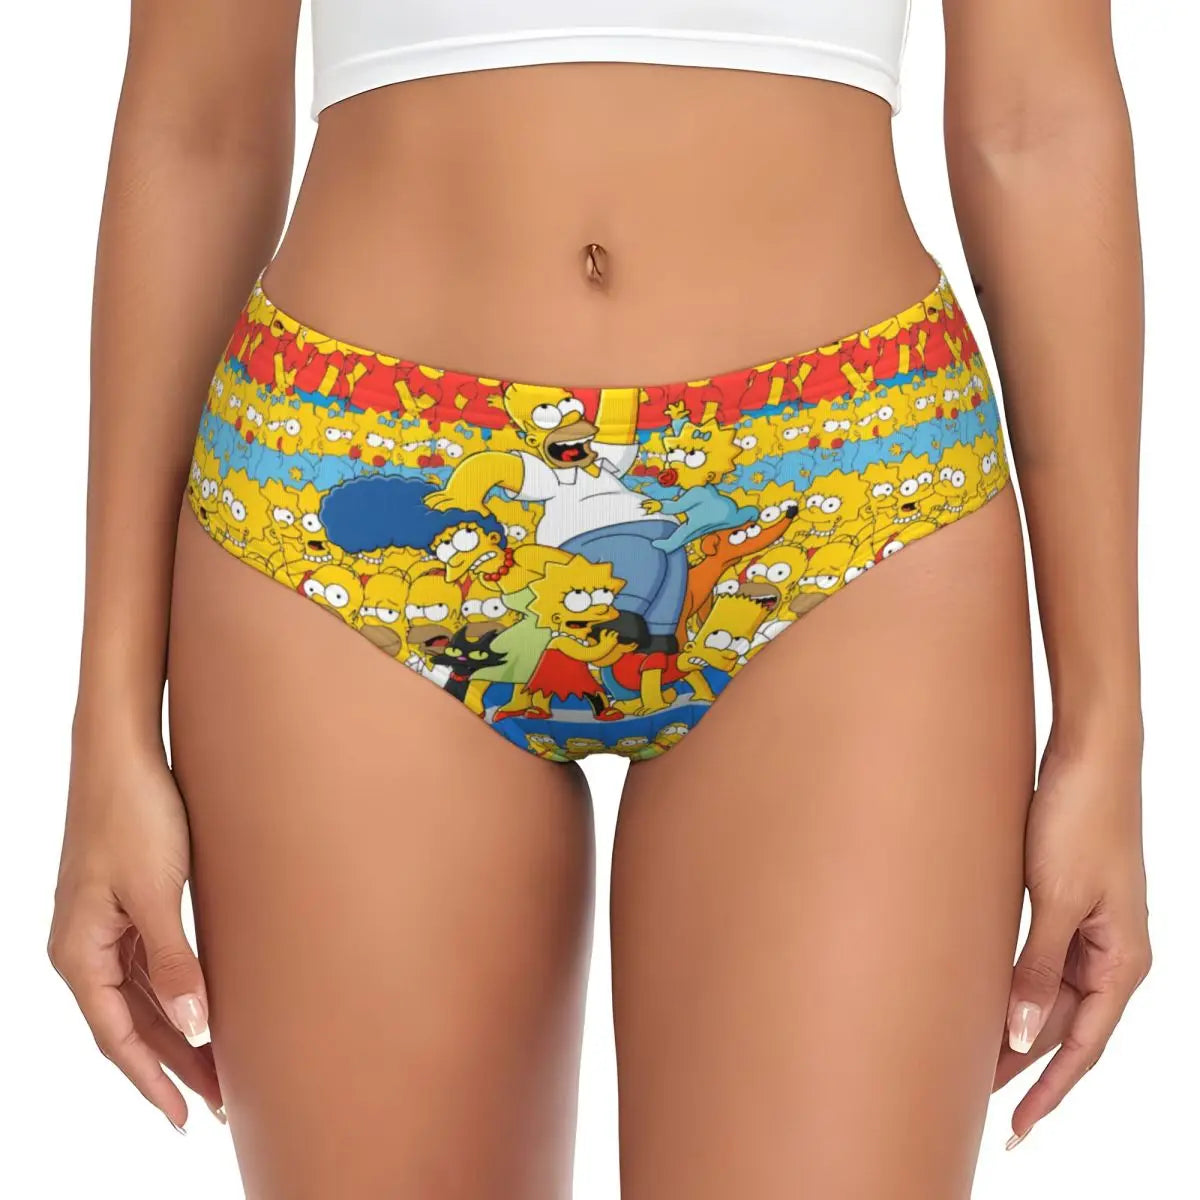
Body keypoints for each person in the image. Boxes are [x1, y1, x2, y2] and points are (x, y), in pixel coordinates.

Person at [49, 2, 1151, 1195]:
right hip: (366, 479)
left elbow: (1037, 119)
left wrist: (1105, 730)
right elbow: (198, 124)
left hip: (846, 480)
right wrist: (109, 724)